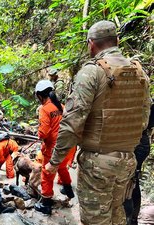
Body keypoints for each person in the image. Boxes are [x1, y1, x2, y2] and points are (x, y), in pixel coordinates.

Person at [45, 20, 151, 225]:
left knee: (96, 220)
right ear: (117, 41)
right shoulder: (139, 72)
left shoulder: (92, 72)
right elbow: (144, 119)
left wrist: (54, 161)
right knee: (116, 213)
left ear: (91, 44)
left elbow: (73, 122)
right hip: (127, 160)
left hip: (98, 163)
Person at [33, 80, 75, 215]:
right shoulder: (62, 106)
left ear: (40, 95)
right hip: (68, 146)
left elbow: (43, 132)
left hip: (53, 148)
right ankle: (69, 192)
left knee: (47, 174)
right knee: (62, 168)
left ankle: (46, 204)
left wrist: (39, 135)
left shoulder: (44, 109)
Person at [124, 103, 154, 225]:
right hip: (141, 140)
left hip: (135, 141)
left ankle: (129, 219)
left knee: (128, 184)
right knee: (131, 182)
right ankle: (132, 219)